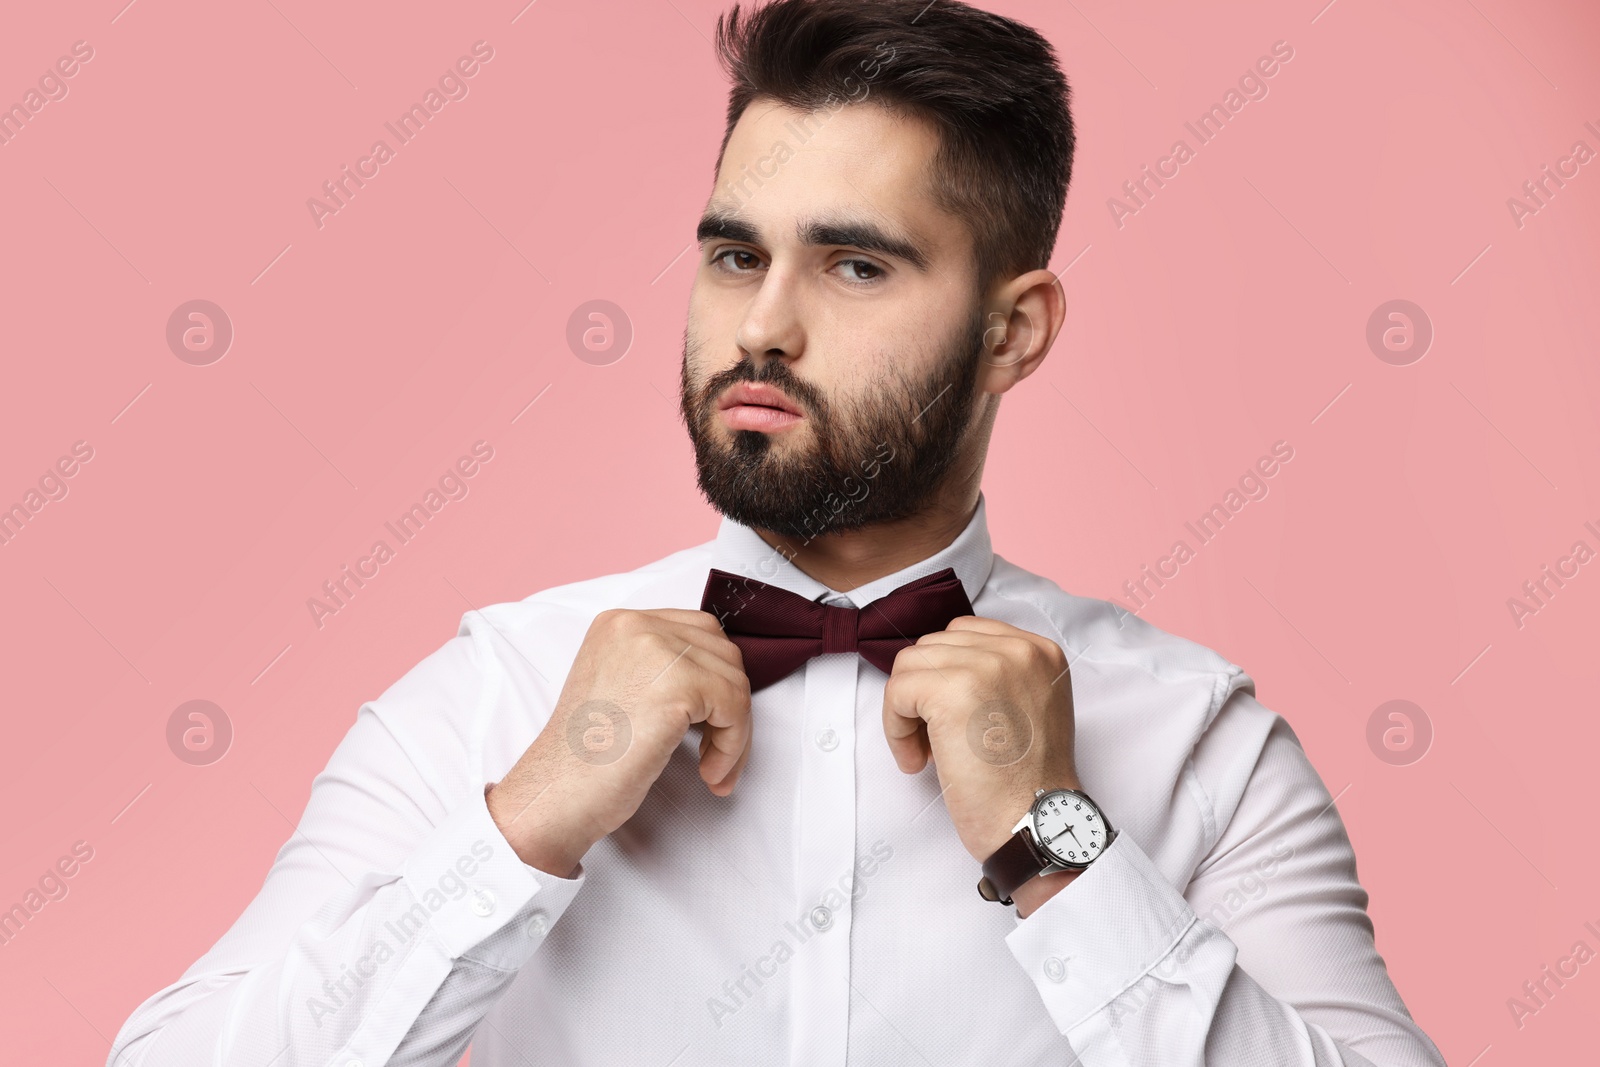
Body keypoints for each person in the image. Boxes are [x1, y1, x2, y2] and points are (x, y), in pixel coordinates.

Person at [108, 1, 1447, 1063]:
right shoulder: (492, 694)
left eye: (855, 265)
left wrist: (1057, 843)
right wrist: (523, 828)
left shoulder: (1196, 739)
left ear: (1013, 329)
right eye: (736, 254)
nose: (761, 325)